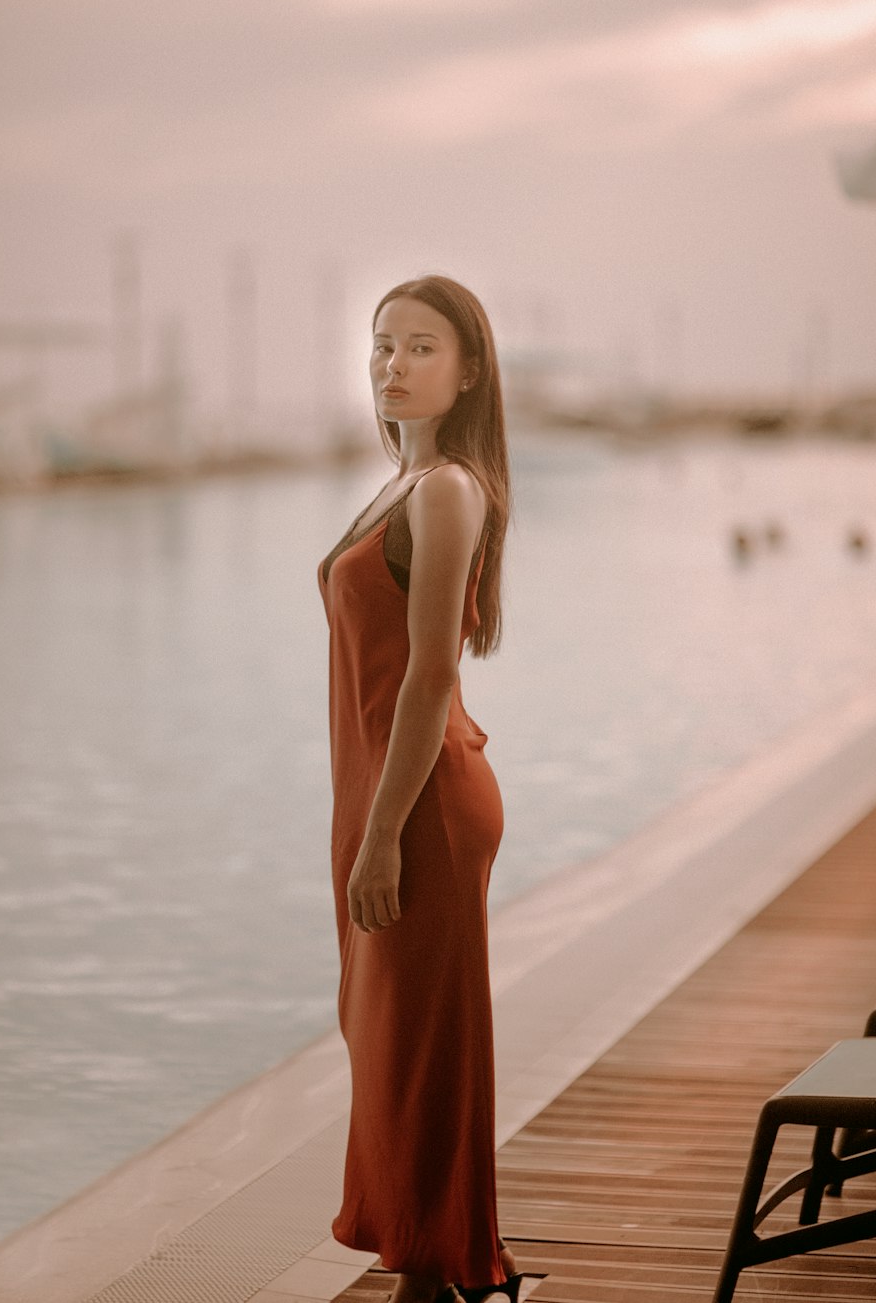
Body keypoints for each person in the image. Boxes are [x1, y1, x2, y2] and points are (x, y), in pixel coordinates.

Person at [318, 275, 534, 1303]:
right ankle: (431, 1259)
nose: (394, 366)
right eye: (381, 347)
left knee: (423, 1040)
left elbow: (431, 673)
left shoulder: (447, 488)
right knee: (383, 1035)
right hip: (380, 797)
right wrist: (361, 822)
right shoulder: (399, 486)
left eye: (420, 348)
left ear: (469, 371)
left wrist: (381, 837)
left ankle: (441, 1270)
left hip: (420, 808)